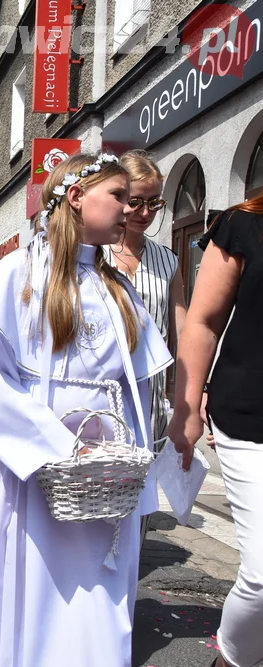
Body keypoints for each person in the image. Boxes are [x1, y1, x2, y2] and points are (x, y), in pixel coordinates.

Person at [0, 154, 171, 666]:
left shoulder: (116, 286)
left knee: (102, 580)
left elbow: (128, 386)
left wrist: (128, 456)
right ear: (75, 197)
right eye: (116, 196)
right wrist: (58, 445)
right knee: (36, 579)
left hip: (106, 466)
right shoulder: (19, 272)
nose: (129, 208)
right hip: (42, 458)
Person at [168, 196, 263, 667]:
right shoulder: (244, 224)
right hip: (250, 415)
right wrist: (187, 404)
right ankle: (230, 661)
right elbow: (203, 321)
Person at [105, 150, 186, 446]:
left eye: (154, 203)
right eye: (136, 201)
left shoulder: (168, 260)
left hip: (151, 398)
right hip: (101, 392)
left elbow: (185, 334)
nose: (145, 213)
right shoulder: (93, 254)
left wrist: (189, 400)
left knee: (145, 485)